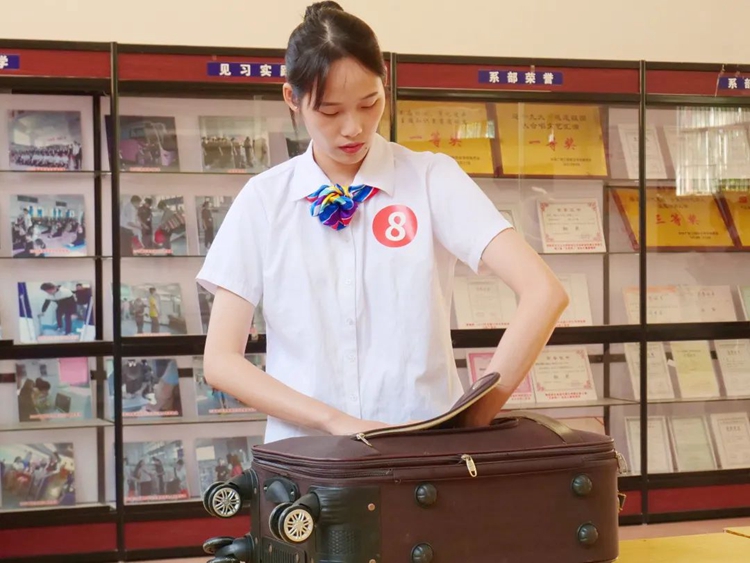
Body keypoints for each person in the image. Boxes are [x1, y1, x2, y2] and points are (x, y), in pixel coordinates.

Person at [196, 1, 569, 444]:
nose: (353, 127)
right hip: (309, 457)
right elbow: (221, 361)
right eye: (330, 112)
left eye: (369, 103)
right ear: (292, 99)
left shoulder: (431, 179)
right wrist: (335, 421)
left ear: (385, 81)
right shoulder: (264, 200)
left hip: (420, 456)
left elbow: (544, 292)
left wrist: (471, 420)